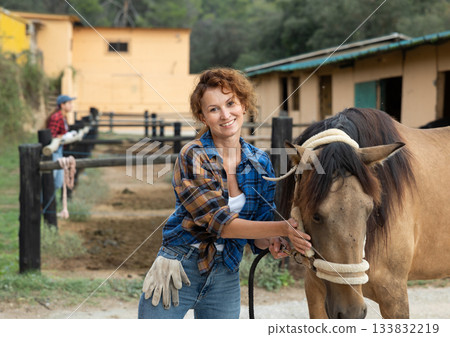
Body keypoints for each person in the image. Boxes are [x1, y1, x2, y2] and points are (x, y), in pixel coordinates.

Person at [138, 68, 311, 319]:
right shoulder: (193, 155)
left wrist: (273, 239)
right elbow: (220, 224)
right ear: (203, 117)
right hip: (179, 266)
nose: (225, 114)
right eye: (214, 109)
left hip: (226, 273)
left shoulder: (260, 161)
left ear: (243, 105)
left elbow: (259, 228)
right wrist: (283, 228)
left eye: (231, 103)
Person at [46, 95, 76, 189]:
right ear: (62, 105)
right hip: (54, 151)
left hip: (60, 150)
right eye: (69, 103)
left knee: (58, 182)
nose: (71, 105)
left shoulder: (63, 117)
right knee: (52, 180)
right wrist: (63, 136)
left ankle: (49, 202)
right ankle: (43, 202)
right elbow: (51, 135)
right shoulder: (56, 117)